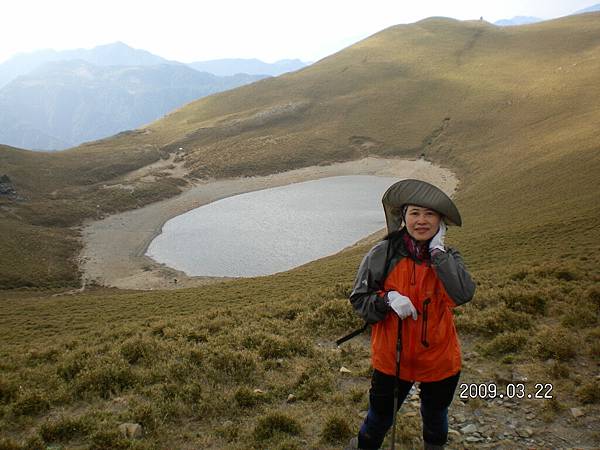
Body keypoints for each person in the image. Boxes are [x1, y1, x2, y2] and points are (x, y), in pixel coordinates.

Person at [345, 179, 476, 450]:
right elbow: (359, 299)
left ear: (440, 221)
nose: (422, 220)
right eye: (415, 213)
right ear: (403, 216)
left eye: (430, 214)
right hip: (392, 358)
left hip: (439, 357)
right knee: (379, 419)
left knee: (435, 416)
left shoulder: (449, 257)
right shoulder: (383, 253)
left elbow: (463, 294)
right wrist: (387, 299)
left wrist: (438, 253)